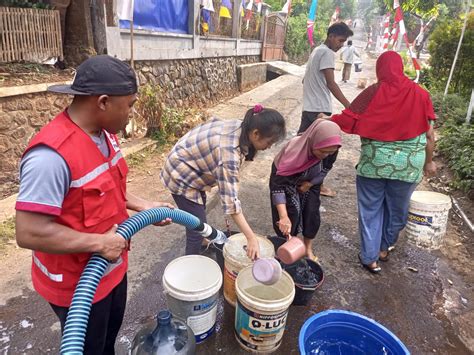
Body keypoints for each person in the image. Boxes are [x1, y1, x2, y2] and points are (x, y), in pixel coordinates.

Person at [15, 55, 173, 354]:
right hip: (77, 284)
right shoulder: (49, 158)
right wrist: (100, 243)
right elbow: (29, 232)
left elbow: (108, 188)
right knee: (89, 348)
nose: (131, 114)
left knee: (107, 342)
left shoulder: (104, 135)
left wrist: (145, 207)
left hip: (112, 268)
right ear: (102, 102)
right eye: (129, 105)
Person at [331, 51, 437, 274]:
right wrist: (429, 162)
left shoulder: (373, 92)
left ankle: (370, 257)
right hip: (407, 168)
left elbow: (349, 117)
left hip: (373, 165)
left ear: (381, 69)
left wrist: (327, 120)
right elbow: (429, 135)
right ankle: (383, 248)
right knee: (397, 210)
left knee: (370, 210)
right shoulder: (421, 95)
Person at [161, 104, 286, 260]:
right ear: (255, 133)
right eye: (269, 142)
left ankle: (202, 240)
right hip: (180, 173)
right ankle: (191, 267)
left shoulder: (243, 126)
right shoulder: (229, 155)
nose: (269, 147)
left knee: (198, 213)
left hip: (192, 162)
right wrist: (251, 237)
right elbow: (231, 204)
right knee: (195, 227)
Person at [270, 119, 342, 261]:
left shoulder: (332, 148)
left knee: (312, 213)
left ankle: (307, 248)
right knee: (290, 215)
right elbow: (278, 188)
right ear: (313, 142)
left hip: (312, 181)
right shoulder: (291, 154)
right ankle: (289, 247)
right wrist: (283, 216)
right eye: (322, 151)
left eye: (330, 152)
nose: (325, 155)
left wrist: (310, 183)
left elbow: (326, 168)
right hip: (285, 182)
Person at [299, 22, 353, 135]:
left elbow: (305, 80)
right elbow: (331, 83)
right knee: (325, 147)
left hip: (309, 108)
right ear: (331, 36)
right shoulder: (327, 53)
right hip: (320, 108)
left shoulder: (317, 50)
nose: (342, 45)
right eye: (340, 40)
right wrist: (348, 105)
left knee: (301, 143)